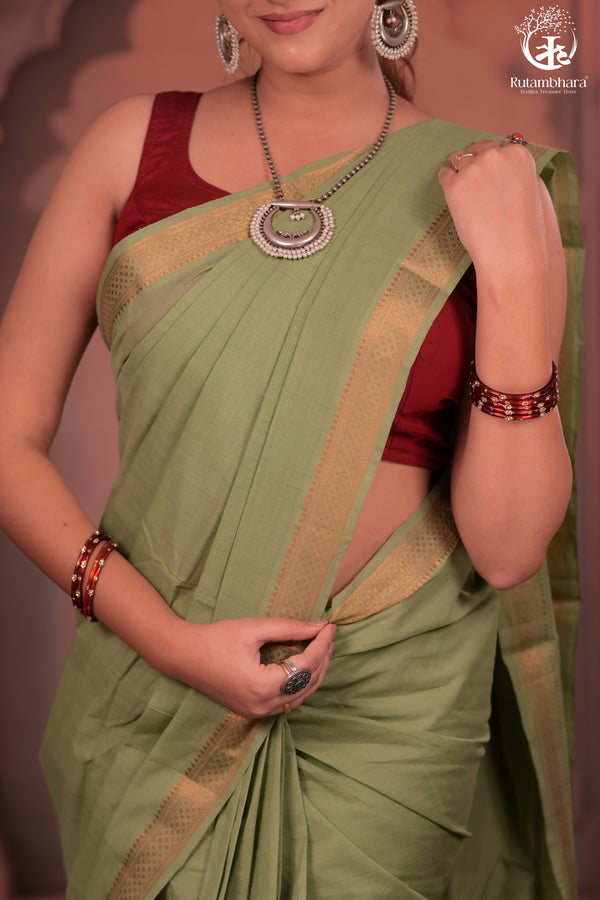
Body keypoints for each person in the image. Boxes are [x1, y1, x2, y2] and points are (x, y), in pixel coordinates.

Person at [0, 1, 583, 898]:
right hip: (158, 697)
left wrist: (509, 270)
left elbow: (507, 552)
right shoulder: (132, 147)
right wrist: (171, 645)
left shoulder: (500, 187)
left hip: (390, 716)